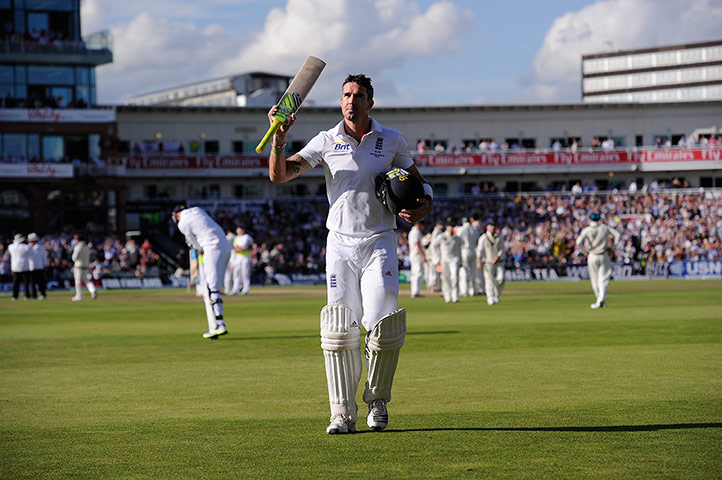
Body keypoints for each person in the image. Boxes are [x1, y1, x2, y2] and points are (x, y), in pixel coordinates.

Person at [266, 73, 433, 434]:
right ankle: (341, 413)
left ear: (370, 102)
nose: (351, 100)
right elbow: (280, 176)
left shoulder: (391, 140)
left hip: (379, 240)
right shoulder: (326, 141)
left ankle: (377, 401)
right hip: (340, 244)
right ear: (339, 100)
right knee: (339, 329)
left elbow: (418, 184)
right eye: (345, 94)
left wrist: (426, 204)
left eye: (358, 95)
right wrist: (279, 139)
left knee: (383, 323)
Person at [172, 205, 232, 338]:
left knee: (211, 288)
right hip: (225, 246)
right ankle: (215, 325)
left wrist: (199, 248)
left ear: (177, 215)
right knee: (214, 286)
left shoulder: (182, 223)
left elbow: (192, 242)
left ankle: (219, 325)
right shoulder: (198, 210)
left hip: (212, 247)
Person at [575, 212, 621, 309]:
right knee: (603, 279)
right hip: (604, 255)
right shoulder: (604, 228)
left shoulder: (587, 230)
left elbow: (579, 242)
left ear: (590, 220)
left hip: (592, 255)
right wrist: (613, 248)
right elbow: (618, 235)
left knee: (595, 280)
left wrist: (585, 252)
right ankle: (601, 301)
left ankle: (600, 300)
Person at [477, 221, 505, 305]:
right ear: (487, 227)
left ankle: (496, 294)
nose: (492, 228)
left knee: (501, 279)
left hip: (498, 262)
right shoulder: (483, 237)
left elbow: (501, 249)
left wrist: (497, 257)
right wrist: (479, 262)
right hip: (488, 262)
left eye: (493, 226)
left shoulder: (499, 237)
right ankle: (490, 298)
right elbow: (479, 250)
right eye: (491, 226)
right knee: (489, 280)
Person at [434, 218, 461, 303]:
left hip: (454, 259)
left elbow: (459, 250)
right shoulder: (442, 236)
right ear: (447, 227)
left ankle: (455, 295)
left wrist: (461, 261)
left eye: (453, 226)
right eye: (450, 226)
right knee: (446, 278)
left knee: (454, 277)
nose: (452, 228)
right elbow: (434, 246)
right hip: (445, 259)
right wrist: (439, 256)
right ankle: (447, 295)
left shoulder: (457, 238)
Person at [457, 216, 479, 297]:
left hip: (464, 251)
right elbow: (477, 241)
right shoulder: (474, 229)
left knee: (464, 272)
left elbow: (457, 240)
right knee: (473, 272)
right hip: (473, 250)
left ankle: (464, 291)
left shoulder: (461, 229)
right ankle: (473, 290)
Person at [71, 235, 98, 301]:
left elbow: (74, 258)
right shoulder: (87, 247)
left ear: (78, 240)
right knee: (86, 279)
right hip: (86, 265)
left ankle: (79, 296)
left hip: (78, 266)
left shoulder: (78, 246)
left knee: (78, 281)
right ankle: (92, 290)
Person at [231, 226, 254, 296]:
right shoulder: (236, 238)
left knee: (245, 273)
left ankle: (246, 288)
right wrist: (239, 249)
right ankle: (236, 288)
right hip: (238, 257)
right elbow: (235, 248)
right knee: (236, 273)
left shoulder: (247, 237)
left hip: (245, 257)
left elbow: (250, 247)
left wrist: (242, 249)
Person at [8, 233, 31, 301]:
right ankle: (26, 295)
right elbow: (32, 253)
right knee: (26, 282)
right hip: (24, 266)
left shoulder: (11, 246)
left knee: (15, 282)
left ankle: (14, 296)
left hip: (15, 267)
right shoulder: (25, 246)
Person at [408, 220, 426, 298]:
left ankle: (415, 291)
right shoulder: (416, 232)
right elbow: (417, 244)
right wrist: (423, 255)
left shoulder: (412, 231)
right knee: (418, 273)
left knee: (415, 273)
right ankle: (415, 292)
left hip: (413, 253)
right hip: (416, 254)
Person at [27, 232, 47, 300]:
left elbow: (44, 257)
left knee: (41, 282)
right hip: (30, 267)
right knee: (32, 283)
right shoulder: (27, 247)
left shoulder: (40, 247)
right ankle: (33, 295)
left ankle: (43, 294)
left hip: (39, 267)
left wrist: (45, 264)